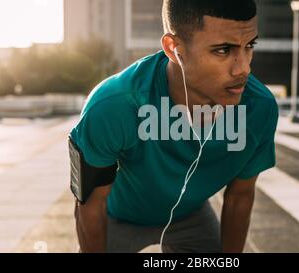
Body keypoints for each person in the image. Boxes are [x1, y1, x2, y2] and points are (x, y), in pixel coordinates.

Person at [69, 0, 278, 253]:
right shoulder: (113, 105)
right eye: (223, 50)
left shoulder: (259, 108)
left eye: (249, 46)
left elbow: (240, 198)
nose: (244, 67)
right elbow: (89, 204)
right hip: (117, 217)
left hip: (191, 217)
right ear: (174, 48)